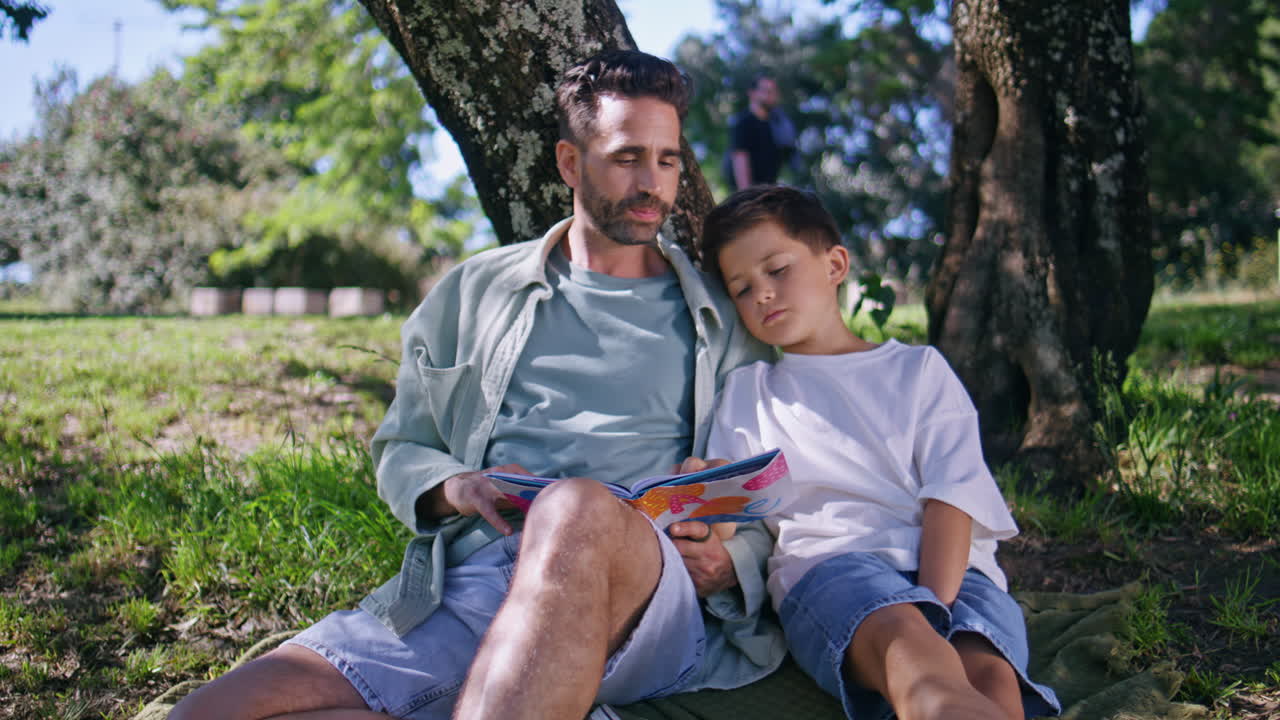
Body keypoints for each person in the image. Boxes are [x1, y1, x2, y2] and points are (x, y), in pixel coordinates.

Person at [169, 50, 784, 720]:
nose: (653, 183)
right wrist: (458, 486)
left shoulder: (722, 320)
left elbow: (774, 489)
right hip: (480, 579)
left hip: (642, 591)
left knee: (573, 509)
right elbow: (403, 444)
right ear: (571, 164)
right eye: (627, 157)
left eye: (667, 159)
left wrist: (730, 562)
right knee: (209, 712)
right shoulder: (476, 291)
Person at [699, 185, 1061, 720]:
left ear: (835, 264)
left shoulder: (918, 371)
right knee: (913, 655)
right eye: (742, 289)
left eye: (777, 270)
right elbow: (732, 507)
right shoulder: (751, 392)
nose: (763, 296)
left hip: (958, 574)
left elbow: (951, 495)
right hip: (835, 570)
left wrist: (937, 603)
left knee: (988, 678)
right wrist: (701, 496)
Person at [724, 74, 796, 191]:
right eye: (766, 90)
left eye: (773, 91)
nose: (770, 95)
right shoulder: (744, 123)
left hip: (768, 192)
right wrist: (746, 195)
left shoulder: (777, 124)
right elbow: (740, 158)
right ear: (752, 93)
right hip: (751, 196)